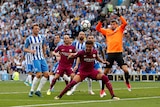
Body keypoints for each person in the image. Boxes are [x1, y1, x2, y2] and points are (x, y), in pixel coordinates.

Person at [54, 40, 119, 100]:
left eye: (89, 47)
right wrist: (71, 56)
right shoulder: (82, 52)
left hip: (91, 71)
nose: (88, 48)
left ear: (92, 46)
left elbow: (97, 58)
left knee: (105, 78)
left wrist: (103, 61)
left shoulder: (94, 52)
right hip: (82, 72)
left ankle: (113, 96)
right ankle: (59, 96)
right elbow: (75, 55)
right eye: (87, 46)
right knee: (72, 83)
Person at [96, 9, 131, 91]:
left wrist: (120, 16)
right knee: (105, 73)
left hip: (118, 53)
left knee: (125, 70)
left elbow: (125, 23)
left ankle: (127, 81)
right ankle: (102, 89)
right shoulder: (107, 31)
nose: (113, 25)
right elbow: (97, 29)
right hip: (110, 53)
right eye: (111, 24)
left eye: (114, 24)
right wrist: (101, 21)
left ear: (116, 24)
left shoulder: (120, 29)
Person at [24, 23, 49, 97]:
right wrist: (30, 51)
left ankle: (38, 90)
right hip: (35, 58)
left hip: (42, 57)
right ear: (32, 30)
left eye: (38, 29)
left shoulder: (42, 37)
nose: (37, 30)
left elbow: (44, 45)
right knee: (38, 74)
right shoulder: (29, 39)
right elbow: (25, 48)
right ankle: (31, 91)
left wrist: (44, 53)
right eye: (35, 29)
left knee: (46, 74)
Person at [66, 31, 95, 96]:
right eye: (80, 34)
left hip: (84, 62)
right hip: (75, 61)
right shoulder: (74, 43)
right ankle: (71, 88)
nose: (81, 35)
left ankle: (90, 90)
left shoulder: (86, 44)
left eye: (83, 34)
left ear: (85, 36)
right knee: (72, 75)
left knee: (88, 76)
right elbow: (71, 52)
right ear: (78, 36)